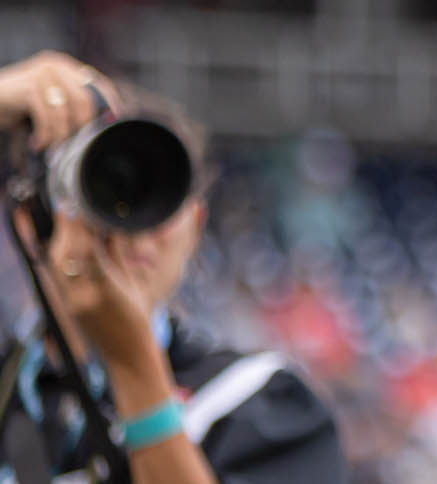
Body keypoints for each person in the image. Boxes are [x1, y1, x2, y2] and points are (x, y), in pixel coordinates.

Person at [0, 53, 345, 484]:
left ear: (196, 226)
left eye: (157, 197)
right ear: (29, 220)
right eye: (103, 191)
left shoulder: (257, 404)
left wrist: (134, 366)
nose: (135, 230)